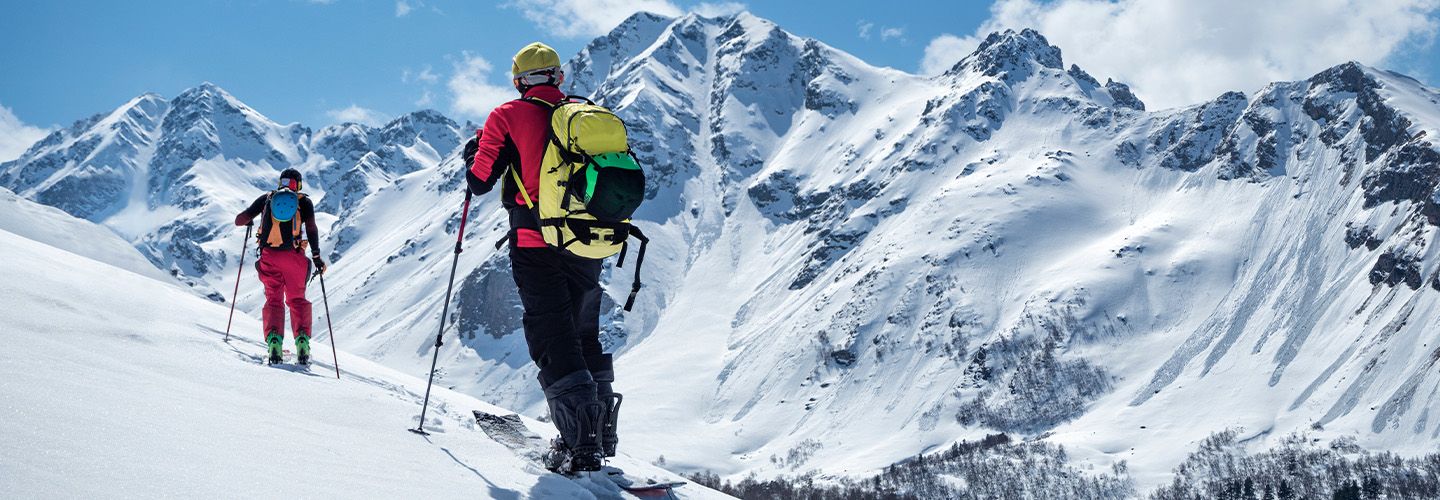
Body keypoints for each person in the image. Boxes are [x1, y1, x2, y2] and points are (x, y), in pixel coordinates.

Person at [465, 42, 616, 473]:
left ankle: (579, 447)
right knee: (585, 333)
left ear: (518, 82)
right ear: (559, 77)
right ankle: (601, 435)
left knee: (552, 335)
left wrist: (472, 155)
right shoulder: (585, 114)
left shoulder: (507, 115)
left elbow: (479, 180)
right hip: (586, 243)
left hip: (535, 242)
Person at [234, 168, 327, 365]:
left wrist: (250, 219)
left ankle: (274, 343)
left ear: (281, 182)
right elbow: (311, 228)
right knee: (297, 300)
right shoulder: (304, 202)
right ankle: (302, 342)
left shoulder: (267, 198)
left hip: (269, 257)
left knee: (274, 300)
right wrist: (317, 256)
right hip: (294, 257)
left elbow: (239, 220)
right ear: (298, 185)